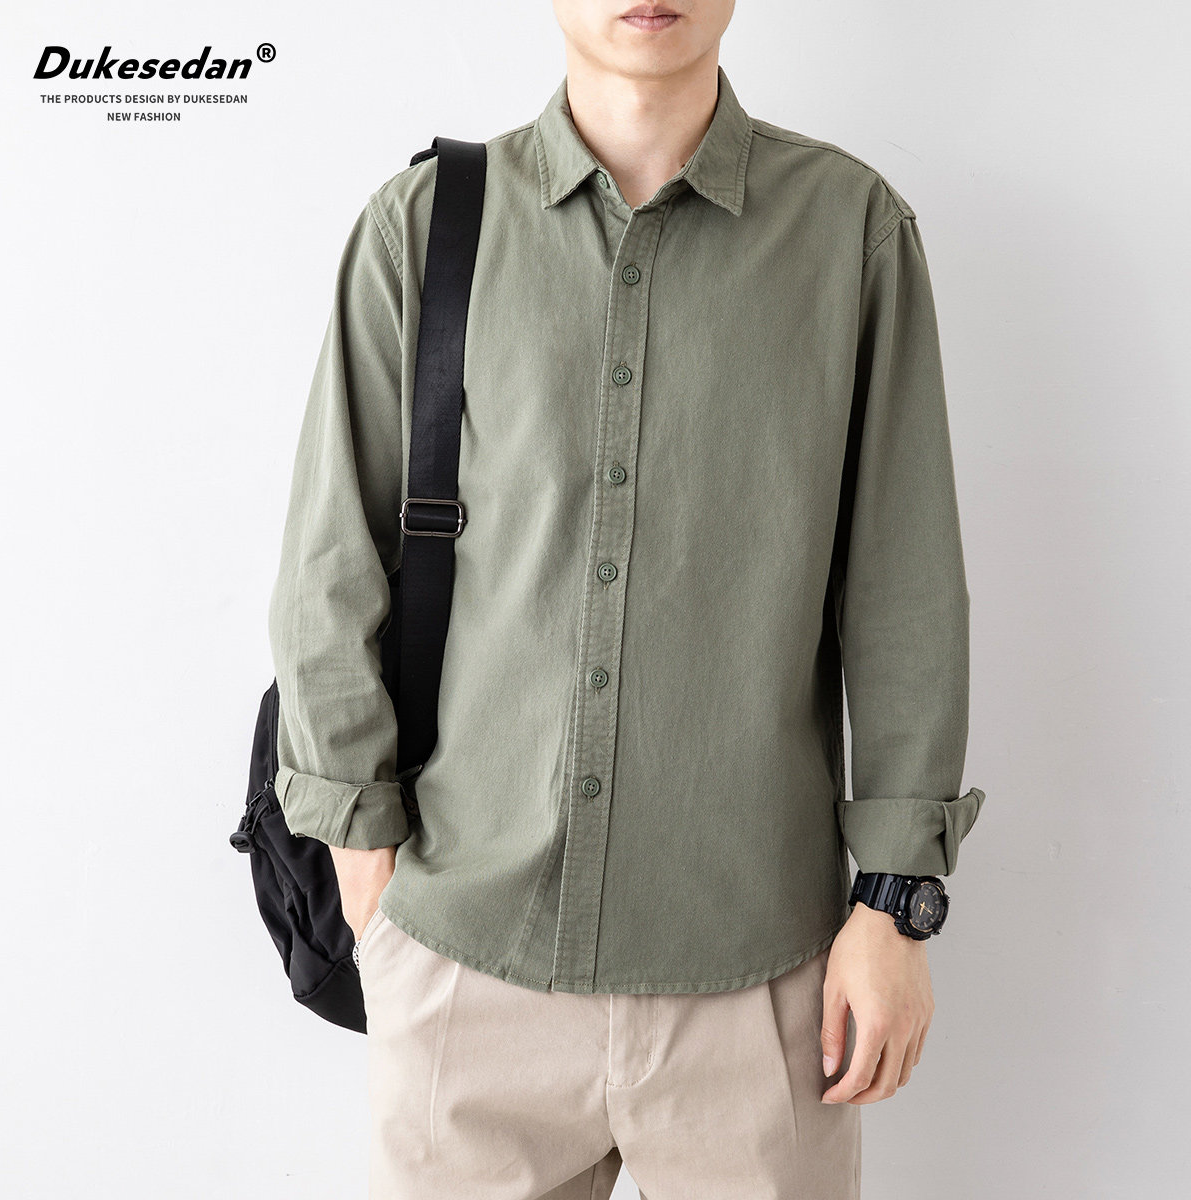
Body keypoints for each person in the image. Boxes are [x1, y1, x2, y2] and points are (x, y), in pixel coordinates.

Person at [266, 2, 987, 1196]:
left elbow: (902, 586)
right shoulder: (425, 226)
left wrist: (895, 906)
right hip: (464, 955)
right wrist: (365, 870)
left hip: (763, 979)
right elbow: (330, 562)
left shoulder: (849, 229)